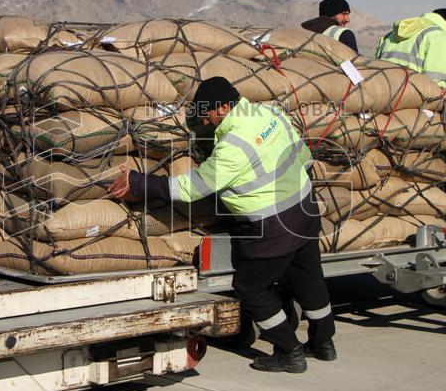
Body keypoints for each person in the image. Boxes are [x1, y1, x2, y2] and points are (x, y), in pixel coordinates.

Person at [107, 77, 336, 373]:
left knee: (250, 287)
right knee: (309, 279)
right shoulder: (270, 114)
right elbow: (303, 157)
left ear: (226, 106)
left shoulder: (234, 145)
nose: (204, 118)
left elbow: (193, 188)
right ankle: (324, 343)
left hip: (274, 227)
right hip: (305, 211)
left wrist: (138, 181)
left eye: (209, 112)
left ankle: (289, 351)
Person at [376, 8, 446, 199]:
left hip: (382, 113)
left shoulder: (391, 35)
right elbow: (434, 90)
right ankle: (444, 213)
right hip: (413, 113)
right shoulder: (437, 36)